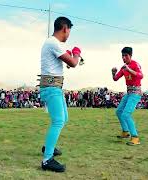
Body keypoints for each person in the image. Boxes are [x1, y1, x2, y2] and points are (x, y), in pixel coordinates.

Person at [39, 16, 81, 172]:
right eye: (69, 31)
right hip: (51, 88)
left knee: (64, 119)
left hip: (54, 87)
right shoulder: (53, 43)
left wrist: (71, 56)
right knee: (58, 121)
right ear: (65, 28)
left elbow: (67, 64)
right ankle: (47, 160)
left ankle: (49, 146)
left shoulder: (53, 44)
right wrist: (76, 53)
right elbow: (73, 63)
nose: (69, 34)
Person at [112, 47, 144, 146]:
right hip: (129, 93)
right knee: (118, 112)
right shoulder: (124, 67)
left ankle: (135, 137)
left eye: (126, 56)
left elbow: (141, 75)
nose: (124, 58)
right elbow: (115, 78)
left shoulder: (135, 64)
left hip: (135, 93)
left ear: (130, 56)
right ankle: (125, 132)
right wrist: (113, 72)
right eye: (122, 56)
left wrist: (129, 69)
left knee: (126, 114)